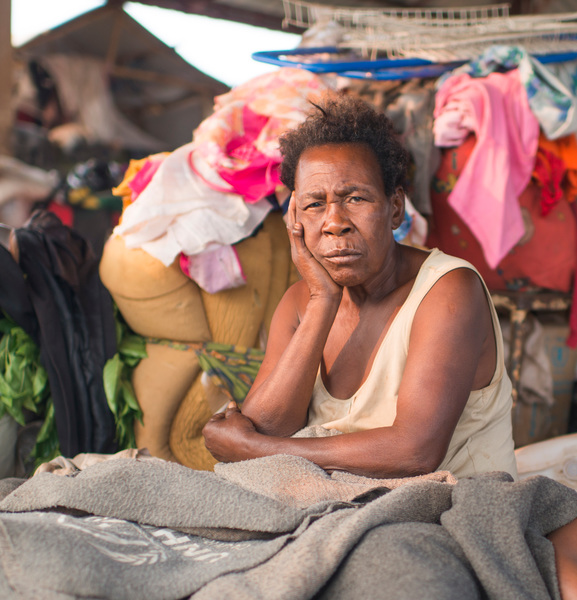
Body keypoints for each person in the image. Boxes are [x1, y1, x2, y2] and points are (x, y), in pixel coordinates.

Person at [202, 93, 516, 479]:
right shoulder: (304, 300)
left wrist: (257, 450)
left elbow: (415, 452)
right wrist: (322, 301)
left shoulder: (447, 290)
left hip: (448, 510)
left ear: (395, 207)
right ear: (294, 219)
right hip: (334, 508)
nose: (335, 222)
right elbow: (266, 425)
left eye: (355, 198)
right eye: (315, 205)